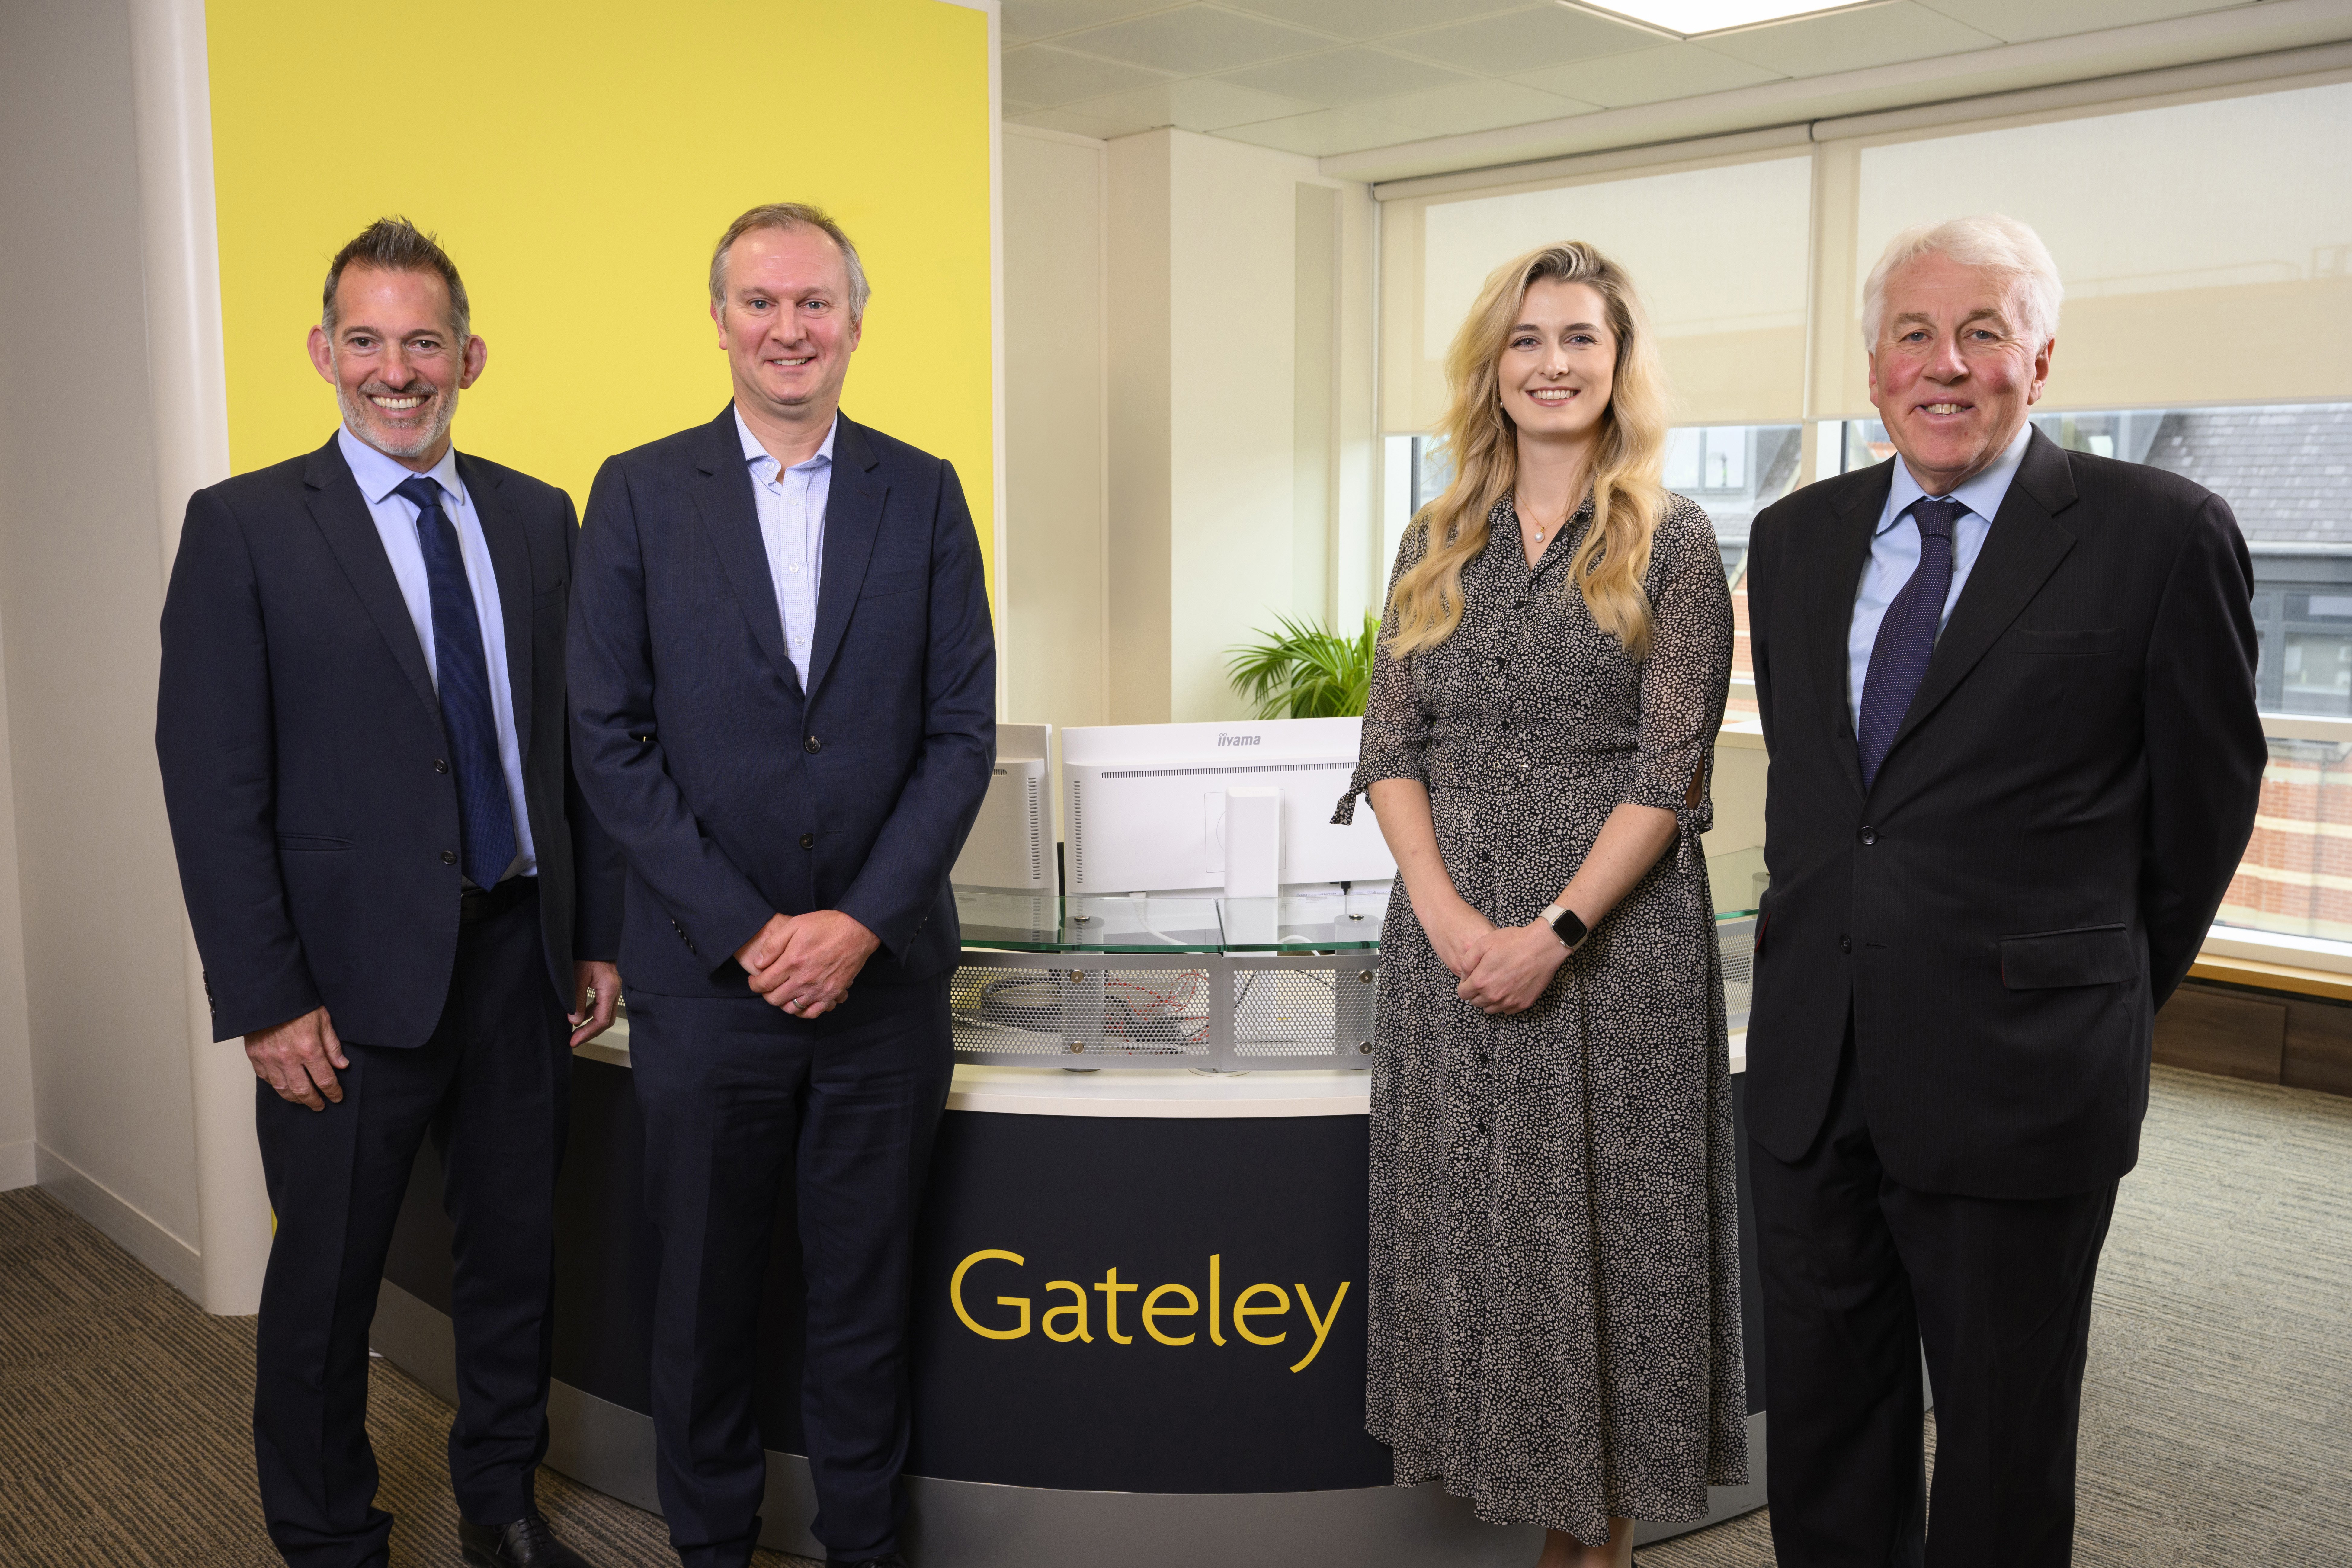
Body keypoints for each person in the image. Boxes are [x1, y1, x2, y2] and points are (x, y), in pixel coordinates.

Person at [1742, 213, 2266, 1566]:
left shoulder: (2158, 533)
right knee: (1823, 1419)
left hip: (2020, 1068)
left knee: (2000, 1439)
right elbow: (1826, 802)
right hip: (1816, 1062)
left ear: (2041, 358)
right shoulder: (1793, 539)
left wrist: (2092, 993)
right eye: (1913, 333)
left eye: (1983, 331)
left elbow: (2201, 813)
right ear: (1871, 369)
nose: (1945, 363)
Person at [155, 217, 623, 1568]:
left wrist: (593, 934)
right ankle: (328, 1540)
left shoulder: (540, 519)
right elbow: (210, 781)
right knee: (323, 1291)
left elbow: (573, 742)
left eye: (424, 340)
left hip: (517, 965)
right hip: (340, 991)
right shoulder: (243, 527)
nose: (396, 369)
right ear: (323, 352)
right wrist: (266, 997)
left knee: (513, 1270)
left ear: (469, 354)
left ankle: (499, 1506)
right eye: (366, 339)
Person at [566, 202, 994, 1568]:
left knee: (863, 1309)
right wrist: (757, 932)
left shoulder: (920, 490)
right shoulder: (635, 491)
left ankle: (863, 1549)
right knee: (702, 1305)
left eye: (815, 303)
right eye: (762, 303)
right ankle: (709, 1551)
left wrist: (857, 923)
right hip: (708, 986)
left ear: (855, 321)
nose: (790, 329)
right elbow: (607, 740)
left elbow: (960, 732)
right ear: (719, 321)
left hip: (882, 991)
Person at [1335, 242, 1747, 1568]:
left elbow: (1669, 767)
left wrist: (1553, 933)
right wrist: (1451, 919)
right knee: (1484, 1236)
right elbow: (1388, 745)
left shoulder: (1672, 541)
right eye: (1526, 341)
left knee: (1607, 1245)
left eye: (1579, 338)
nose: (1552, 364)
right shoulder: (1433, 535)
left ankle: (1600, 1540)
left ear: (1618, 364)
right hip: (1448, 942)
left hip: (1611, 949)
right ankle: (1531, 1510)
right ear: (1491, 368)